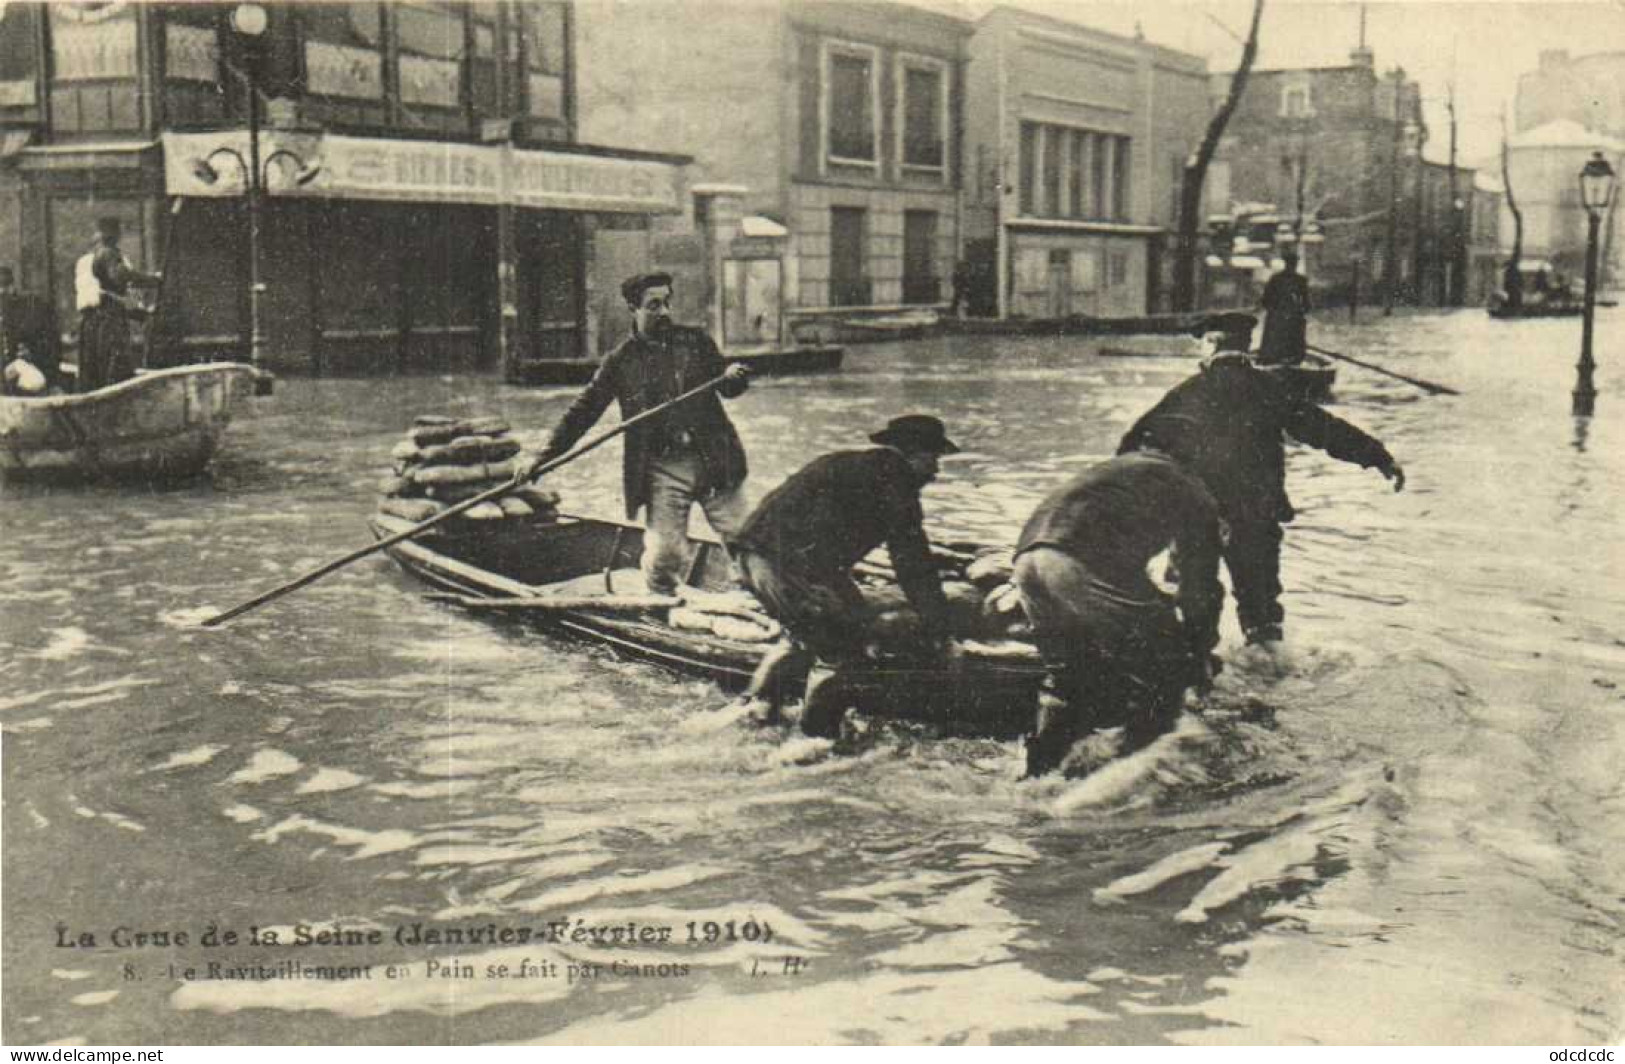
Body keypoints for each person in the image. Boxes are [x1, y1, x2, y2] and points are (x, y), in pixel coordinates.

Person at [1118, 312, 1405, 646]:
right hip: (1257, 515)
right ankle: (1268, 673)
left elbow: (1132, 449)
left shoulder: (1185, 395)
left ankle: (1198, 676)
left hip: (1198, 517)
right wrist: (1380, 458)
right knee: (1261, 612)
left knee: (1194, 605)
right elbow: (1325, 429)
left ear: (1210, 344)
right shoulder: (1272, 388)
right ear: (1246, 346)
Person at [523, 272, 751, 595]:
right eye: (653, 305)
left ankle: (757, 600)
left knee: (748, 542)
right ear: (633, 308)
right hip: (664, 471)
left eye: (667, 302)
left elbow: (726, 386)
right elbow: (582, 414)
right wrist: (540, 457)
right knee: (665, 556)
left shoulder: (695, 342)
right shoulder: (619, 362)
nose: (664, 312)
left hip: (715, 463)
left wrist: (735, 377)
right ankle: (658, 607)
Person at [731, 415, 962, 731]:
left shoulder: (845, 463)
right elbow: (912, 563)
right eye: (933, 458)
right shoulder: (897, 482)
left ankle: (752, 709)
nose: (936, 470)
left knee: (803, 635)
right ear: (912, 453)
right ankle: (815, 738)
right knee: (841, 650)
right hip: (784, 566)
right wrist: (941, 630)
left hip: (752, 554)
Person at [1014, 450, 1226, 778]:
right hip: (1079, 563)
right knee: (1165, 672)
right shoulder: (1198, 496)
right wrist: (1199, 652)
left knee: (1069, 677)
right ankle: (1136, 776)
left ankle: (1040, 776)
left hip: (1027, 561)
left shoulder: (1137, 471)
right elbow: (1199, 589)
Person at [76, 217, 161, 392]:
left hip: (90, 325)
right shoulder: (110, 255)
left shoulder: (84, 262)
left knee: (94, 376)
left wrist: (139, 314)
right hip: (107, 324)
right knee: (114, 374)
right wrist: (153, 280)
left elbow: (106, 296)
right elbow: (118, 280)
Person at [0, 267, 63, 396]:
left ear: (11, 288)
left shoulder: (32, 308)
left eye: (5, 287)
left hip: (36, 378)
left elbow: (51, 346)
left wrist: (30, 356)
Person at [1257, 247, 1310, 366]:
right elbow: (1306, 305)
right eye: (1292, 264)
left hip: (1285, 318)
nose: (1293, 266)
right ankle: (1284, 358)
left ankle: (1277, 358)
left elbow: (1306, 303)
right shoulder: (1293, 280)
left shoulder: (1281, 279)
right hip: (1284, 318)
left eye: (1293, 264)